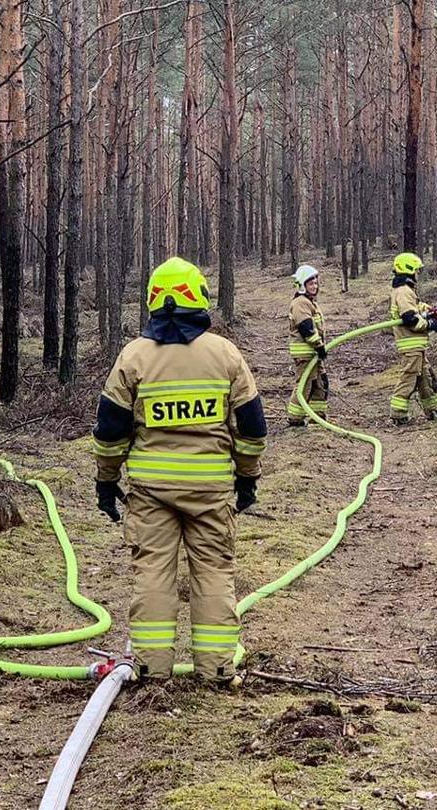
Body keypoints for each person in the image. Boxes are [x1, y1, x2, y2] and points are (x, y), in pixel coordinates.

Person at [91, 257, 269, 682]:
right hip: (210, 490)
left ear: (153, 299)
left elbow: (110, 430)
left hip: (150, 492)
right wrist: (246, 477)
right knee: (213, 574)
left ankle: (152, 669)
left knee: (153, 574)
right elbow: (252, 427)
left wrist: (106, 480)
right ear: (199, 297)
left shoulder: (134, 357)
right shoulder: (224, 354)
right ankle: (217, 669)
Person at [386, 252, 437, 425]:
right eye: (416, 270)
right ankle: (398, 414)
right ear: (409, 270)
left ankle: (433, 411)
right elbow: (410, 319)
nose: (418, 274)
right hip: (410, 345)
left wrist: (434, 310)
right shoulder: (404, 291)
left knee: (425, 378)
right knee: (409, 377)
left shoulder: (406, 291)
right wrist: (430, 325)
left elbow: (416, 308)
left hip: (417, 346)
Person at [286, 265, 329, 426]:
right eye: (311, 284)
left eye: (316, 283)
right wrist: (318, 345)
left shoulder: (310, 302)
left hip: (313, 353)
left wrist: (319, 348)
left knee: (321, 383)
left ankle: (317, 416)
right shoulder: (300, 303)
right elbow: (306, 328)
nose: (315, 286)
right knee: (304, 385)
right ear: (302, 285)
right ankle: (295, 418)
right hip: (306, 354)